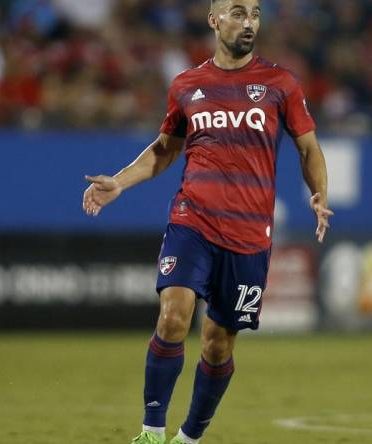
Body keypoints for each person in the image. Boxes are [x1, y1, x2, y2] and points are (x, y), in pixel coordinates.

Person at [81, 1, 333, 443]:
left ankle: (189, 437)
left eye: (255, 13)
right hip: (192, 219)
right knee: (174, 316)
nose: (249, 22)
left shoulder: (280, 84)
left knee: (218, 342)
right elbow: (164, 149)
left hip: (250, 234)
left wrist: (319, 192)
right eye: (238, 13)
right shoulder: (187, 85)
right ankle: (151, 433)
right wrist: (119, 182)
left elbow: (308, 148)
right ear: (215, 20)